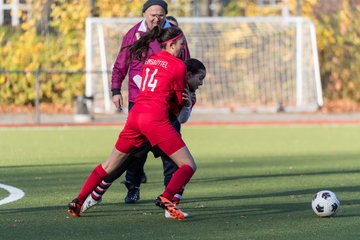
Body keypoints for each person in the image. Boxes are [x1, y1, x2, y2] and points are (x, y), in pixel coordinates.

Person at [67, 26, 196, 220]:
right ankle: (167, 198)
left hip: (135, 115)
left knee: (109, 165)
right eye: (180, 44)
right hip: (155, 118)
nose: (182, 48)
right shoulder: (179, 66)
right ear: (170, 44)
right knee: (188, 165)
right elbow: (177, 102)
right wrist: (187, 101)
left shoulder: (150, 60)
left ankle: (79, 200)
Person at [110, 0, 190, 204]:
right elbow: (121, 63)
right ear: (144, 14)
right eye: (152, 14)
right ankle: (132, 188)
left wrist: (186, 94)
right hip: (139, 100)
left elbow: (185, 62)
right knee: (136, 150)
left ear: (165, 15)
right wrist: (116, 90)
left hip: (167, 101)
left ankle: (169, 193)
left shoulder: (175, 34)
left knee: (171, 149)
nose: (156, 18)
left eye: (161, 15)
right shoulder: (132, 34)